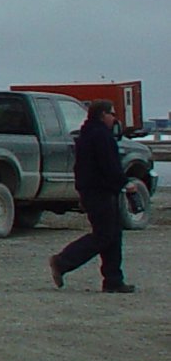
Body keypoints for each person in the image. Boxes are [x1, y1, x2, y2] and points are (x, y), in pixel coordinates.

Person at [49, 98, 132, 293]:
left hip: (93, 191)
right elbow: (108, 165)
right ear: (103, 115)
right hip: (100, 192)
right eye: (112, 113)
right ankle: (62, 261)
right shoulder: (100, 136)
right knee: (104, 235)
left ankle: (113, 280)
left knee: (112, 235)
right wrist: (124, 183)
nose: (114, 118)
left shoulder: (87, 134)